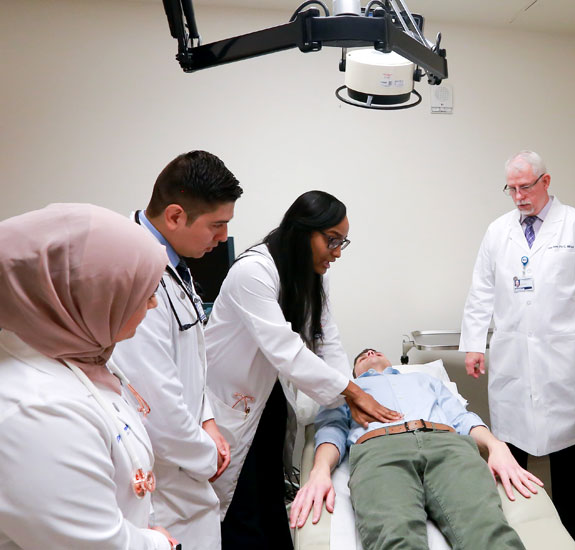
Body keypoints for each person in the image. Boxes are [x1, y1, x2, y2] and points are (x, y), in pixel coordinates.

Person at [205, 190, 400, 550]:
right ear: (302, 232)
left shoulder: (312, 273)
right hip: (229, 404)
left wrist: (346, 397)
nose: (338, 252)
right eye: (332, 241)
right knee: (242, 506)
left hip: (267, 397)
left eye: (343, 242)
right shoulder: (252, 272)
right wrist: (352, 392)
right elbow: (287, 350)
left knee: (270, 498)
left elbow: (327, 340)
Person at [0, 204, 177, 549]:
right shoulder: (37, 410)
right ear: (89, 299)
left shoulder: (81, 356)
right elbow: (94, 543)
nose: (153, 305)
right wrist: (158, 543)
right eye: (145, 293)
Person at [459, 150, 575, 540]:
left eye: (526, 186)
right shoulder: (497, 231)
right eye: (512, 188)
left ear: (546, 181)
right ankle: (513, 519)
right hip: (510, 350)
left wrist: (562, 320)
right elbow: (481, 291)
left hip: (560, 350)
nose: (519, 195)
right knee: (509, 438)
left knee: (567, 443)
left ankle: (571, 525)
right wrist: (475, 343)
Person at [112, 150, 242, 549]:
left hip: (186, 458)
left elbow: (190, 359)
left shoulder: (175, 263)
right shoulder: (136, 275)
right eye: (216, 226)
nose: (222, 238)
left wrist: (207, 422)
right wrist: (207, 456)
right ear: (174, 216)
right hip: (165, 477)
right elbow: (156, 400)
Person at [289, 349, 542, 550]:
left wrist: (496, 445)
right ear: (354, 370)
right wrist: (319, 471)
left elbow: (462, 418)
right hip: (380, 451)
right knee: (396, 537)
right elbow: (331, 430)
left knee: (488, 532)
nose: (369, 354)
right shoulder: (344, 389)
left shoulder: (424, 380)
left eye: (375, 351)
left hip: (448, 445)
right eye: (362, 355)